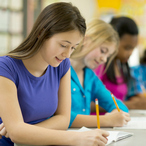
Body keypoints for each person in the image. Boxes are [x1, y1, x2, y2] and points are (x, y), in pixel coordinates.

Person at [0, 2, 109, 146]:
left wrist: (24, 132)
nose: (67, 54)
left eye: (73, 48)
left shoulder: (62, 65)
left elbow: (63, 119)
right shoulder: (6, 68)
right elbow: (16, 134)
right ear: (41, 33)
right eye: (63, 45)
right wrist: (77, 138)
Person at [69, 19, 130, 128]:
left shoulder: (90, 77)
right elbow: (59, 117)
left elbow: (119, 105)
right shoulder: (58, 70)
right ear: (86, 40)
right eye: (103, 51)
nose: (104, 59)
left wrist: (117, 113)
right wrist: (106, 120)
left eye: (108, 56)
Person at [94, 16, 146, 109]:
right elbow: (85, 105)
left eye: (133, 48)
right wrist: (131, 105)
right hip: (99, 121)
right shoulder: (99, 65)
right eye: (127, 48)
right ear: (113, 41)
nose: (130, 53)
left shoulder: (121, 67)